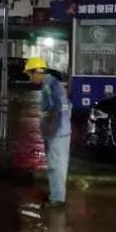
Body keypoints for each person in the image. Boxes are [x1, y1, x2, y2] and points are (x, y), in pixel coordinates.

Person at [24, 57, 72, 207]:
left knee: (55, 166)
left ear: (37, 72)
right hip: (61, 131)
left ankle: (57, 199)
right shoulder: (54, 84)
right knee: (59, 166)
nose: (29, 78)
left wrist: (51, 131)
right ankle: (58, 196)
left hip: (56, 134)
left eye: (30, 75)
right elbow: (68, 105)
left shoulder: (49, 86)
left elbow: (57, 109)